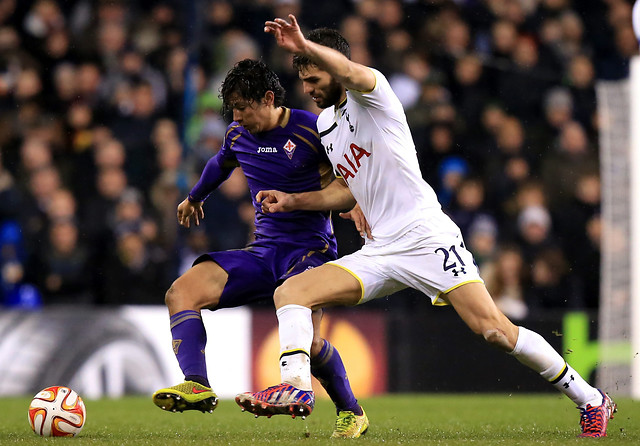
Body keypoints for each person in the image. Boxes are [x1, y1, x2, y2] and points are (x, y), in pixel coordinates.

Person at [235, 16, 617, 438]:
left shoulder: (374, 94)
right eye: (303, 81)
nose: (307, 89)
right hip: (379, 251)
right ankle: (295, 388)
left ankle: (591, 398)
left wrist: (304, 42)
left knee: (493, 330)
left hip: (425, 237)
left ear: (337, 65)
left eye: (312, 77)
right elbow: (347, 188)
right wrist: (295, 201)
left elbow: (349, 73)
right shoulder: (325, 125)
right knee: (291, 291)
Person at [152, 59, 370, 439]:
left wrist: (356, 204)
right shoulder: (238, 134)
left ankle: (351, 411)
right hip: (264, 251)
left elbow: (346, 182)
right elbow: (220, 164)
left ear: (268, 98)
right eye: (232, 108)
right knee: (181, 291)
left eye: (242, 107)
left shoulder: (312, 130)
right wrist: (194, 197)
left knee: (312, 343)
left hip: (309, 251)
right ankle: (197, 384)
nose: (236, 116)